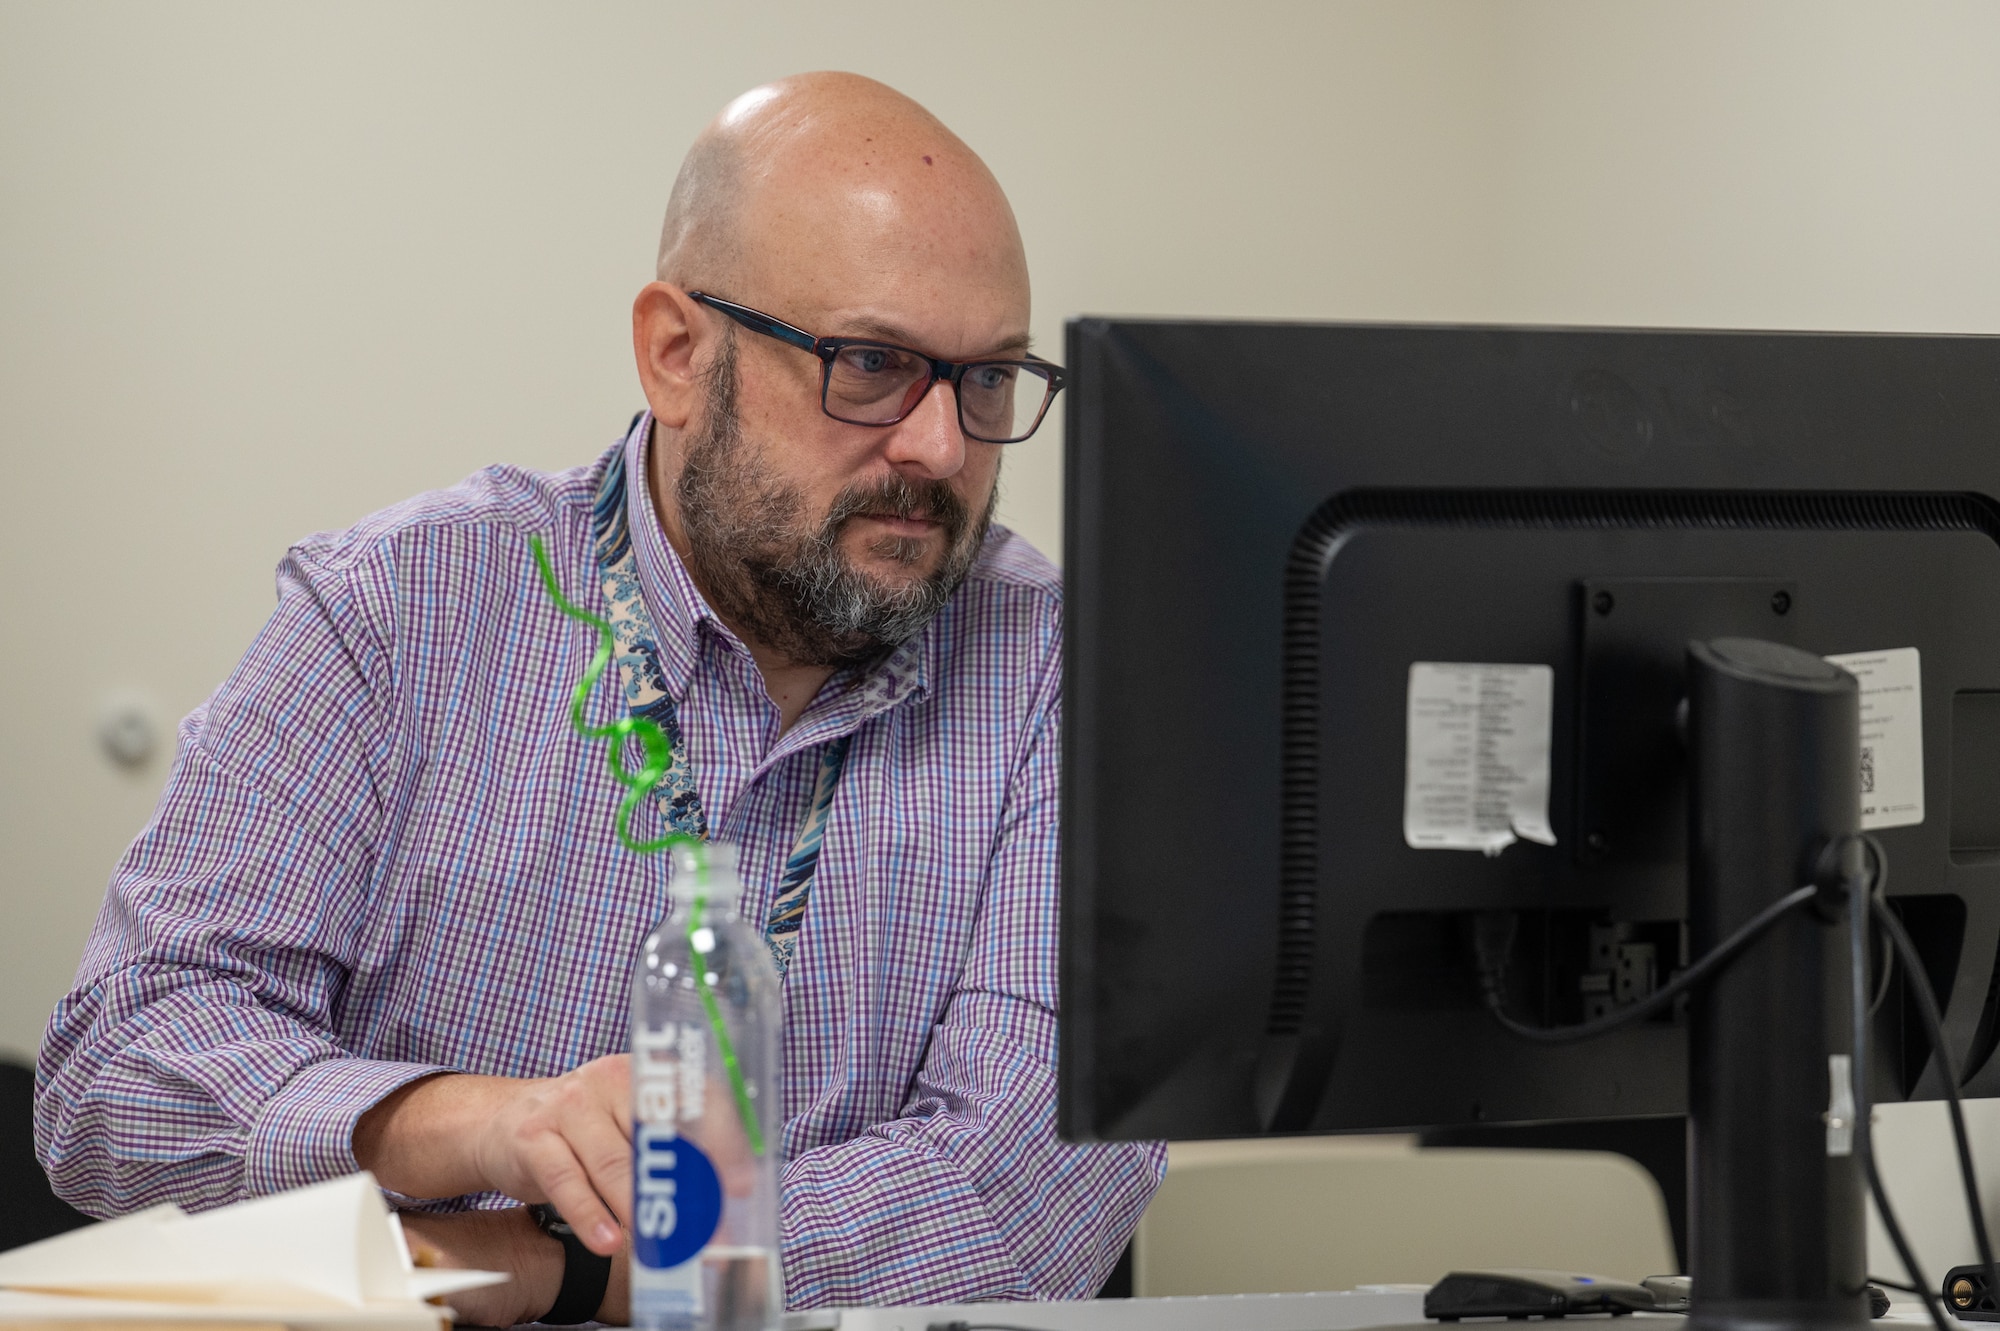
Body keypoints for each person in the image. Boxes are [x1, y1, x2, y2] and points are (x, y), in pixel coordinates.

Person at [35, 72, 1163, 1323]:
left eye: (989, 380)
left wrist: (548, 1266)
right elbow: (116, 1075)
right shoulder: (397, 609)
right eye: (871, 364)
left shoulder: (1058, 672)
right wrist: (465, 1123)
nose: (941, 450)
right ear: (677, 354)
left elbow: (1024, 1193)